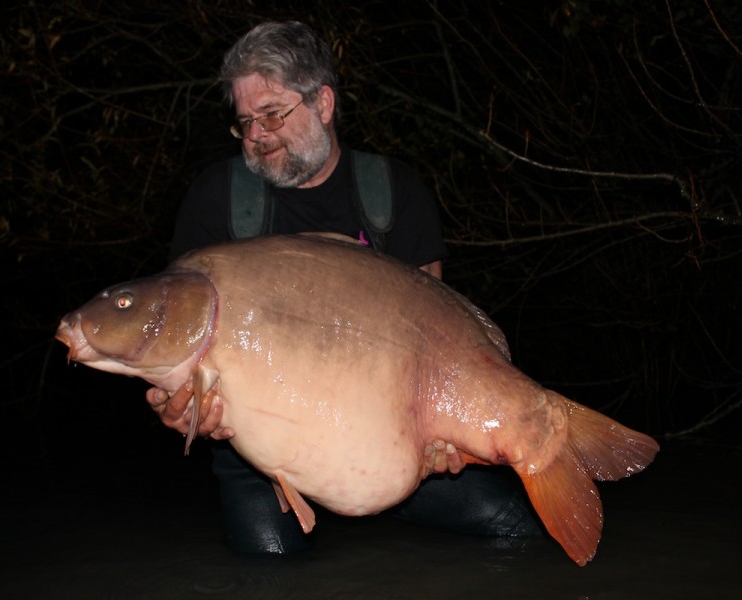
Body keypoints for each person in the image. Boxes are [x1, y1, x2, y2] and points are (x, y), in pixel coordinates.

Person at [146, 20, 542, 555]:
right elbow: (178, 342)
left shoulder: (395, 192)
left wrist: (446, 439)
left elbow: (441, 340)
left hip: (389, 452)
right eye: (245, 122)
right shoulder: (217, 199)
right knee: (267, 568)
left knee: (515, 527)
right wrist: (182, 410)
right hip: (263, 463)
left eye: (272, 115)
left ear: (324, 104)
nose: (257, 136)